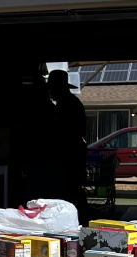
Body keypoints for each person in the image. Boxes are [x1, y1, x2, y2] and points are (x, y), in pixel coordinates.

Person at [47, 69, 89, 211]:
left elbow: (63, 131)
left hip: (69, 154)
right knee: (72, 190)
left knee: (71, 191)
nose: (50, 92)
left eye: (51, 89)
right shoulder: (70, 103)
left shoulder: (67, 105)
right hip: (73, 153)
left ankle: (81, 218)